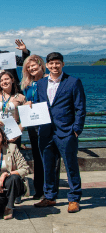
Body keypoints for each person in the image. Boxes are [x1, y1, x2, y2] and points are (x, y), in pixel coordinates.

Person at [34, 52, 86, 213]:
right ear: (47, 66)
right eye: (51, 64)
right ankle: (49, 196)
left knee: (71, 166)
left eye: (57, 63)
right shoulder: (41, 83)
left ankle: (74, 198)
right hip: (46, 132)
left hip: (66, 131)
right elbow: (37, 104)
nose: (54, 66)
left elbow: (80, 108)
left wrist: (76, 129)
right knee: (47, 166)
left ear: (63, 64)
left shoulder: (73, 82)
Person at [0, 125, 30, 220]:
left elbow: (25, 168)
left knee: (14, 178)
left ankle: (9, 207)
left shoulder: (12, 148)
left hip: (11, 184)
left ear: (2, 135)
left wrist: (7, 174)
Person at [21, 54, 47, 199]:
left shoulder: (48, 81)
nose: (31, 69)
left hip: (46, 124)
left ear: (41, 65)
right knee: (37, 157)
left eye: (33, 66)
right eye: (28, 67)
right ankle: (39, 190)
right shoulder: (27, 85)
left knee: (48, 157)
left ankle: (49, 189)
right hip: (33, 124)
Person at [0, 71, 26, 145]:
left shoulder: (21, 97)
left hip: (13, 132)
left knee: (13, 155)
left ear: (12, 80)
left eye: (6, 79)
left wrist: (18, 132)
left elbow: (25, 118)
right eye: (1, 80)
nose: (4, 82)